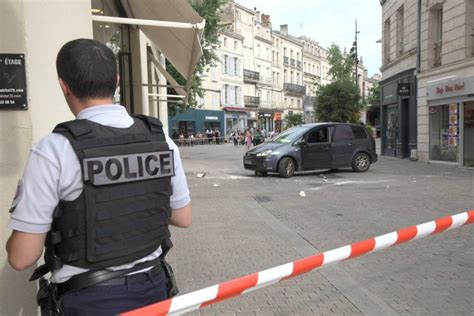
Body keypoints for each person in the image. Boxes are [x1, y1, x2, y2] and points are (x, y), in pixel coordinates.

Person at [5, 39, 192, 316]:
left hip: (90, 300)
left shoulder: (53, 150)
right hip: (155, 290)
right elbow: (182, 217)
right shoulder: (161, 140)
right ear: (117, 81)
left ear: (63, 85)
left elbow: (21, 258)